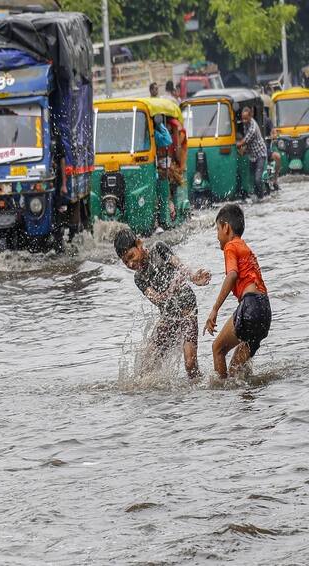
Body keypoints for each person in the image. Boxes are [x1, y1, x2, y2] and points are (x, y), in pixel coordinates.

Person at [114, 228, 211, 381]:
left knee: (190, 363)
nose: (131, 263)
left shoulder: (158, 249)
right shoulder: (139, 278)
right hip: (169, 316)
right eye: (126, 261)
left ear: (139, 244)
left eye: (131, 256)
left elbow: (180, 266)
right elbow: (158, 299)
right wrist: (171, 289)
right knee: (147, 362)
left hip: (187, 309)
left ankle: (201, 390)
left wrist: (193, 277)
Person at [204, 204, 271, 379]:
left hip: (250, 306)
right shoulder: (245, 248)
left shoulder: (231, 246)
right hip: (264, 311)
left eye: (217, 229)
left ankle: (221, 399)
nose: (217, 236)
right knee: (236, 371)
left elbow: (232, 274)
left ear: (226, 227)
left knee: (217, 349)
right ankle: (247, 402)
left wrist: (215, 309)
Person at [236, 107, 267, 197]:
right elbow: (247, 143)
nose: (244, 121)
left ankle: (262, 197)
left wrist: (236, 144)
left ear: (250, 116)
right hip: (252, 156)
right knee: (251, 179)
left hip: (260, 154)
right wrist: (244, 150)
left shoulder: (253, 127)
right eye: (243, 119)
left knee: (257, 179)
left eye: (246, 118)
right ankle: (255, 196)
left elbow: (244, 141)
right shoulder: (246, 124)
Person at [166, 116, 187, 220]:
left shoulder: (179, 131)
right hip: (171, 166)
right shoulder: (172, 131)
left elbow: (178, 155)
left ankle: (173, 211)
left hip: (177, 167)